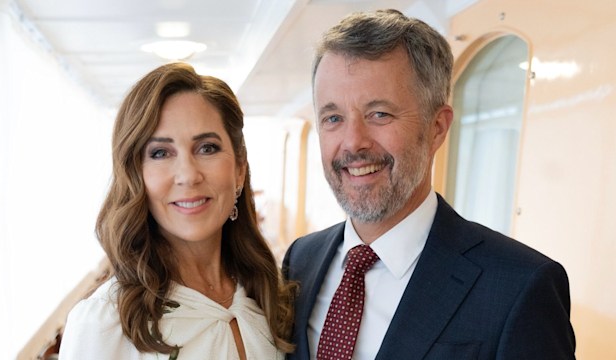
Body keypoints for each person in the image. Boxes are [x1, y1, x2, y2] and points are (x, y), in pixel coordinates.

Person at [282, 9, 575, 360]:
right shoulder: (301, 259)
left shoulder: (520, 285)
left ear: (437, 127)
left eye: (380, 114)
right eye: (333, 118)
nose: (352, 142)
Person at [59, 62, 294, 359]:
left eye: (207, 148)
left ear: (239, 169)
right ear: (136, 176)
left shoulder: (270, 293)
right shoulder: (104, 322)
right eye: (160, 153)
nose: (188, 175)